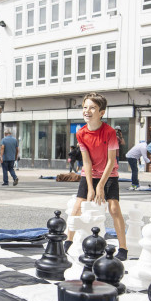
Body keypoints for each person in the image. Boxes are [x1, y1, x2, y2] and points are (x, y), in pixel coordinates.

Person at [65, 93, 128, 260]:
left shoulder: (110, 132)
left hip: (109, 174)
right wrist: (91, 187)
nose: (87, 111)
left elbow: (111, 160)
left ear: (101, 112)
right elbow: (86, 162)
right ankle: (68, 241)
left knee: (114, 208)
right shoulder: (81, 134)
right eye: (85, 107)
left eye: (92, 107)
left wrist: (100, 185)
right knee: (77, 207)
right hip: (89, 174)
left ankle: (123, 247)